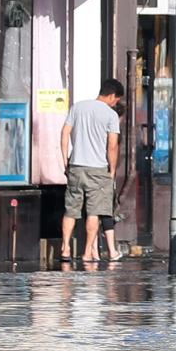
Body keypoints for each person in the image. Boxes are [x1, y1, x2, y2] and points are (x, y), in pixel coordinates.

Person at [60, 79, 123, 262]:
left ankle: (65, 249)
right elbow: (112, 146)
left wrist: (65, 161)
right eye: (116, 99)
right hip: (98, 169)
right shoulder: (111, 115)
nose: (115, 103)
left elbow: (64, 133)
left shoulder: (78, 107)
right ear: (111, 96)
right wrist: (111, 170)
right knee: (94, 212)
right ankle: (87, 252)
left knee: (70, 210)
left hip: (76, 166)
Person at [99, 102, 126, 261]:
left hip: (88, 168)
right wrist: (112, 171)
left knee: (93, 212)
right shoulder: (112, 128)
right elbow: (113, 148)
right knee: (105, 210)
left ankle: (93, 251)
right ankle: (111, 250)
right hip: (105, 171)